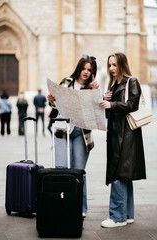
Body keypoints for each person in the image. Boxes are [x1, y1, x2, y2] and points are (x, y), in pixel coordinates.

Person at [47, 55, 99, 217]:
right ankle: (62, 204)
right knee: (61, 169)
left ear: (92, 72)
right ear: (79, 68)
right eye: (84, 68)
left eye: (89, 70)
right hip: (63, 130)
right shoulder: (67, 82)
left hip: (82, 132)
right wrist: (51, 100)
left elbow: (98, 110)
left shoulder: (92, 87)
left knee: (79, 171)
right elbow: (56, 104)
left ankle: (81, 208)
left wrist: (97, 92)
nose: (86, 72)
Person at [99, 52, 146, 228]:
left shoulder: (130, 81)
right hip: (116, 133)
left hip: (126, 135)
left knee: (118, 173)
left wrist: (112, 104)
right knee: (124, 175)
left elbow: (133, 105)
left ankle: (117, 216)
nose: (111, 68)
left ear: (122, 65)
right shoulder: (114, 85)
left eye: (115, 65)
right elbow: (111, 113)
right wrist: (106, 101)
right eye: (109, 65)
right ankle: (128, 214)